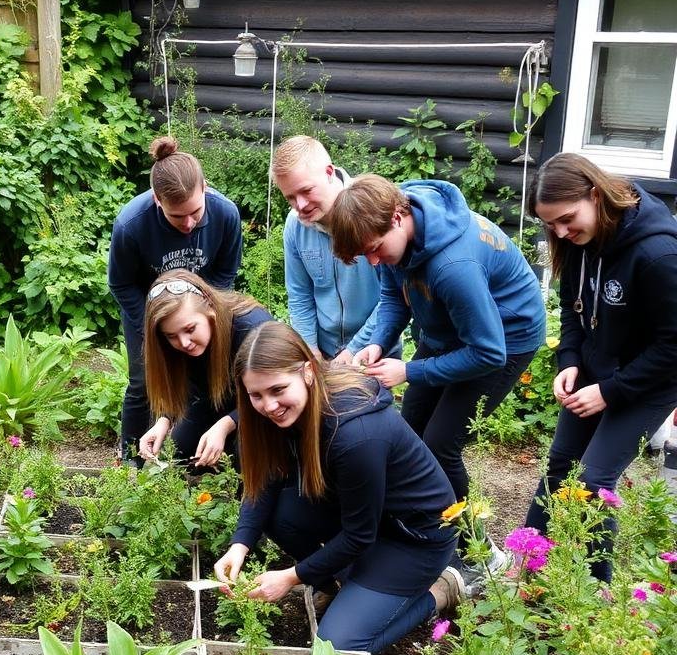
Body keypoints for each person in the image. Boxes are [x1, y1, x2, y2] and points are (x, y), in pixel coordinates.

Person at [212, 321, 464, 653]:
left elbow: (359, 535)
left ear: (307, 372)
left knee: (336, 648)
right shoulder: (278, 414)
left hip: (414, 538)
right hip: (367, 518)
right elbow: (267, 480)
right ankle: (343, 587)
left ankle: (439, 591)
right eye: (256, 395)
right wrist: (240, 545)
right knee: (280, 514)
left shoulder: (355, 433)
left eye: (277, 389)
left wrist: (291, 576)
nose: (268, 405)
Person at [324, 174, 545, 509]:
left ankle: (467, 537)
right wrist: (379, 342)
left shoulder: (454, 266)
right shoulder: (389, 230)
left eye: (374, 250)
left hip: (505, 337)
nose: (373, 261)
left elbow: (487, 353)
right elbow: (394, 295)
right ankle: (416, 515)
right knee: (411, 428)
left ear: (397, 218)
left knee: (441, 443)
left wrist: (408, 371)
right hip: (451, 327)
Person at [523, 153, 677, 582]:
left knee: (593, 481)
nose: (561, 232)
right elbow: (572, 307)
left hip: (652, 380)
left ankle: (595, 594)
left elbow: (673, 346)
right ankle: (528, 569)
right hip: (598, 368)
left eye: (567, 219)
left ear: (595, 194)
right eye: (550, 225)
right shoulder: (579, 240)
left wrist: (610, 391)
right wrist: (570, 360)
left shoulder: (659, 253)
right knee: (560, 467)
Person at [108, 136, 243, 462]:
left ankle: (206, 450)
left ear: (205, 188)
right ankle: (130, 462)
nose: (189, 223)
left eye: (195, 212)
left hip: (203, 308)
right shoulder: (131, 224)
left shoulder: (226, 214)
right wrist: (154, 327)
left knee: (207, 376)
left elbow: (225, 272)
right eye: (177, 217)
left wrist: (203, 311)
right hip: (147, 312)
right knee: (142, 384)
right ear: (157, 200)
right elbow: (121, 283)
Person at [272, 136, 390, 366]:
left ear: (329, 172)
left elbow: (392, 297)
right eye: (290, 198)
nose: (300, 205)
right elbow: (299, 293)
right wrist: (310, 349)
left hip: (376, 348)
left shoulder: (370, 209)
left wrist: (354, 349)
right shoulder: (295, 225)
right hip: (323, 352)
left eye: (306, 190)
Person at [138, 269, 273, 467]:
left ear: (210, 308)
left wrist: (226, 424)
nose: (184, 343)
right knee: (176, 450)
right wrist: (164, 420)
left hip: (263, 409)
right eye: (171, 336)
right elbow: (194, 391)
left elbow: (272, 396)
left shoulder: (251, 327)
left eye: (190, 329)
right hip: (214, 403)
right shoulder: (182, 344)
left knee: (241, 455)